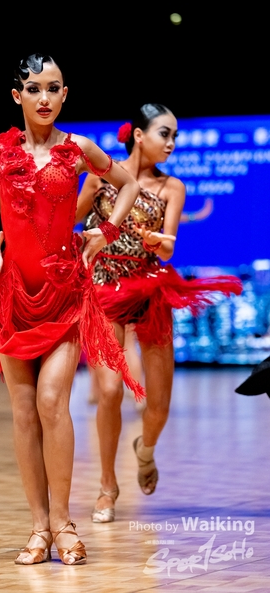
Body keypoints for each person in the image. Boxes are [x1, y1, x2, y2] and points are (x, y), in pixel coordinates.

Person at [0, 52, 144, 566]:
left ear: (65, 94)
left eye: (53, 88)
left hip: (64, 293)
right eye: (34, 88)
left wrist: (105, 231)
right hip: (12, 297)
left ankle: (65, 523)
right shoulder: (3, 149)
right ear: (17, 96)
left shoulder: (78, 149)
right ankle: (39, 528)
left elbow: (129, 184)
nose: (44, 97)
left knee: (52, 401)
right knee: (24, 411)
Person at [75, 104, 243, 521]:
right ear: (138, 135)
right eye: (164, 133)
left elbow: (168, 247)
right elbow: (69, 221)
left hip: (150, 289)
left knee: (159, 407)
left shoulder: (172, 187)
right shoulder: (100, 178)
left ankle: (145, 451)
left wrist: (156, 241)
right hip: (104, 289)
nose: (171, 143)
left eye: (175, 137)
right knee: (109, 392)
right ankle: (108, 486)